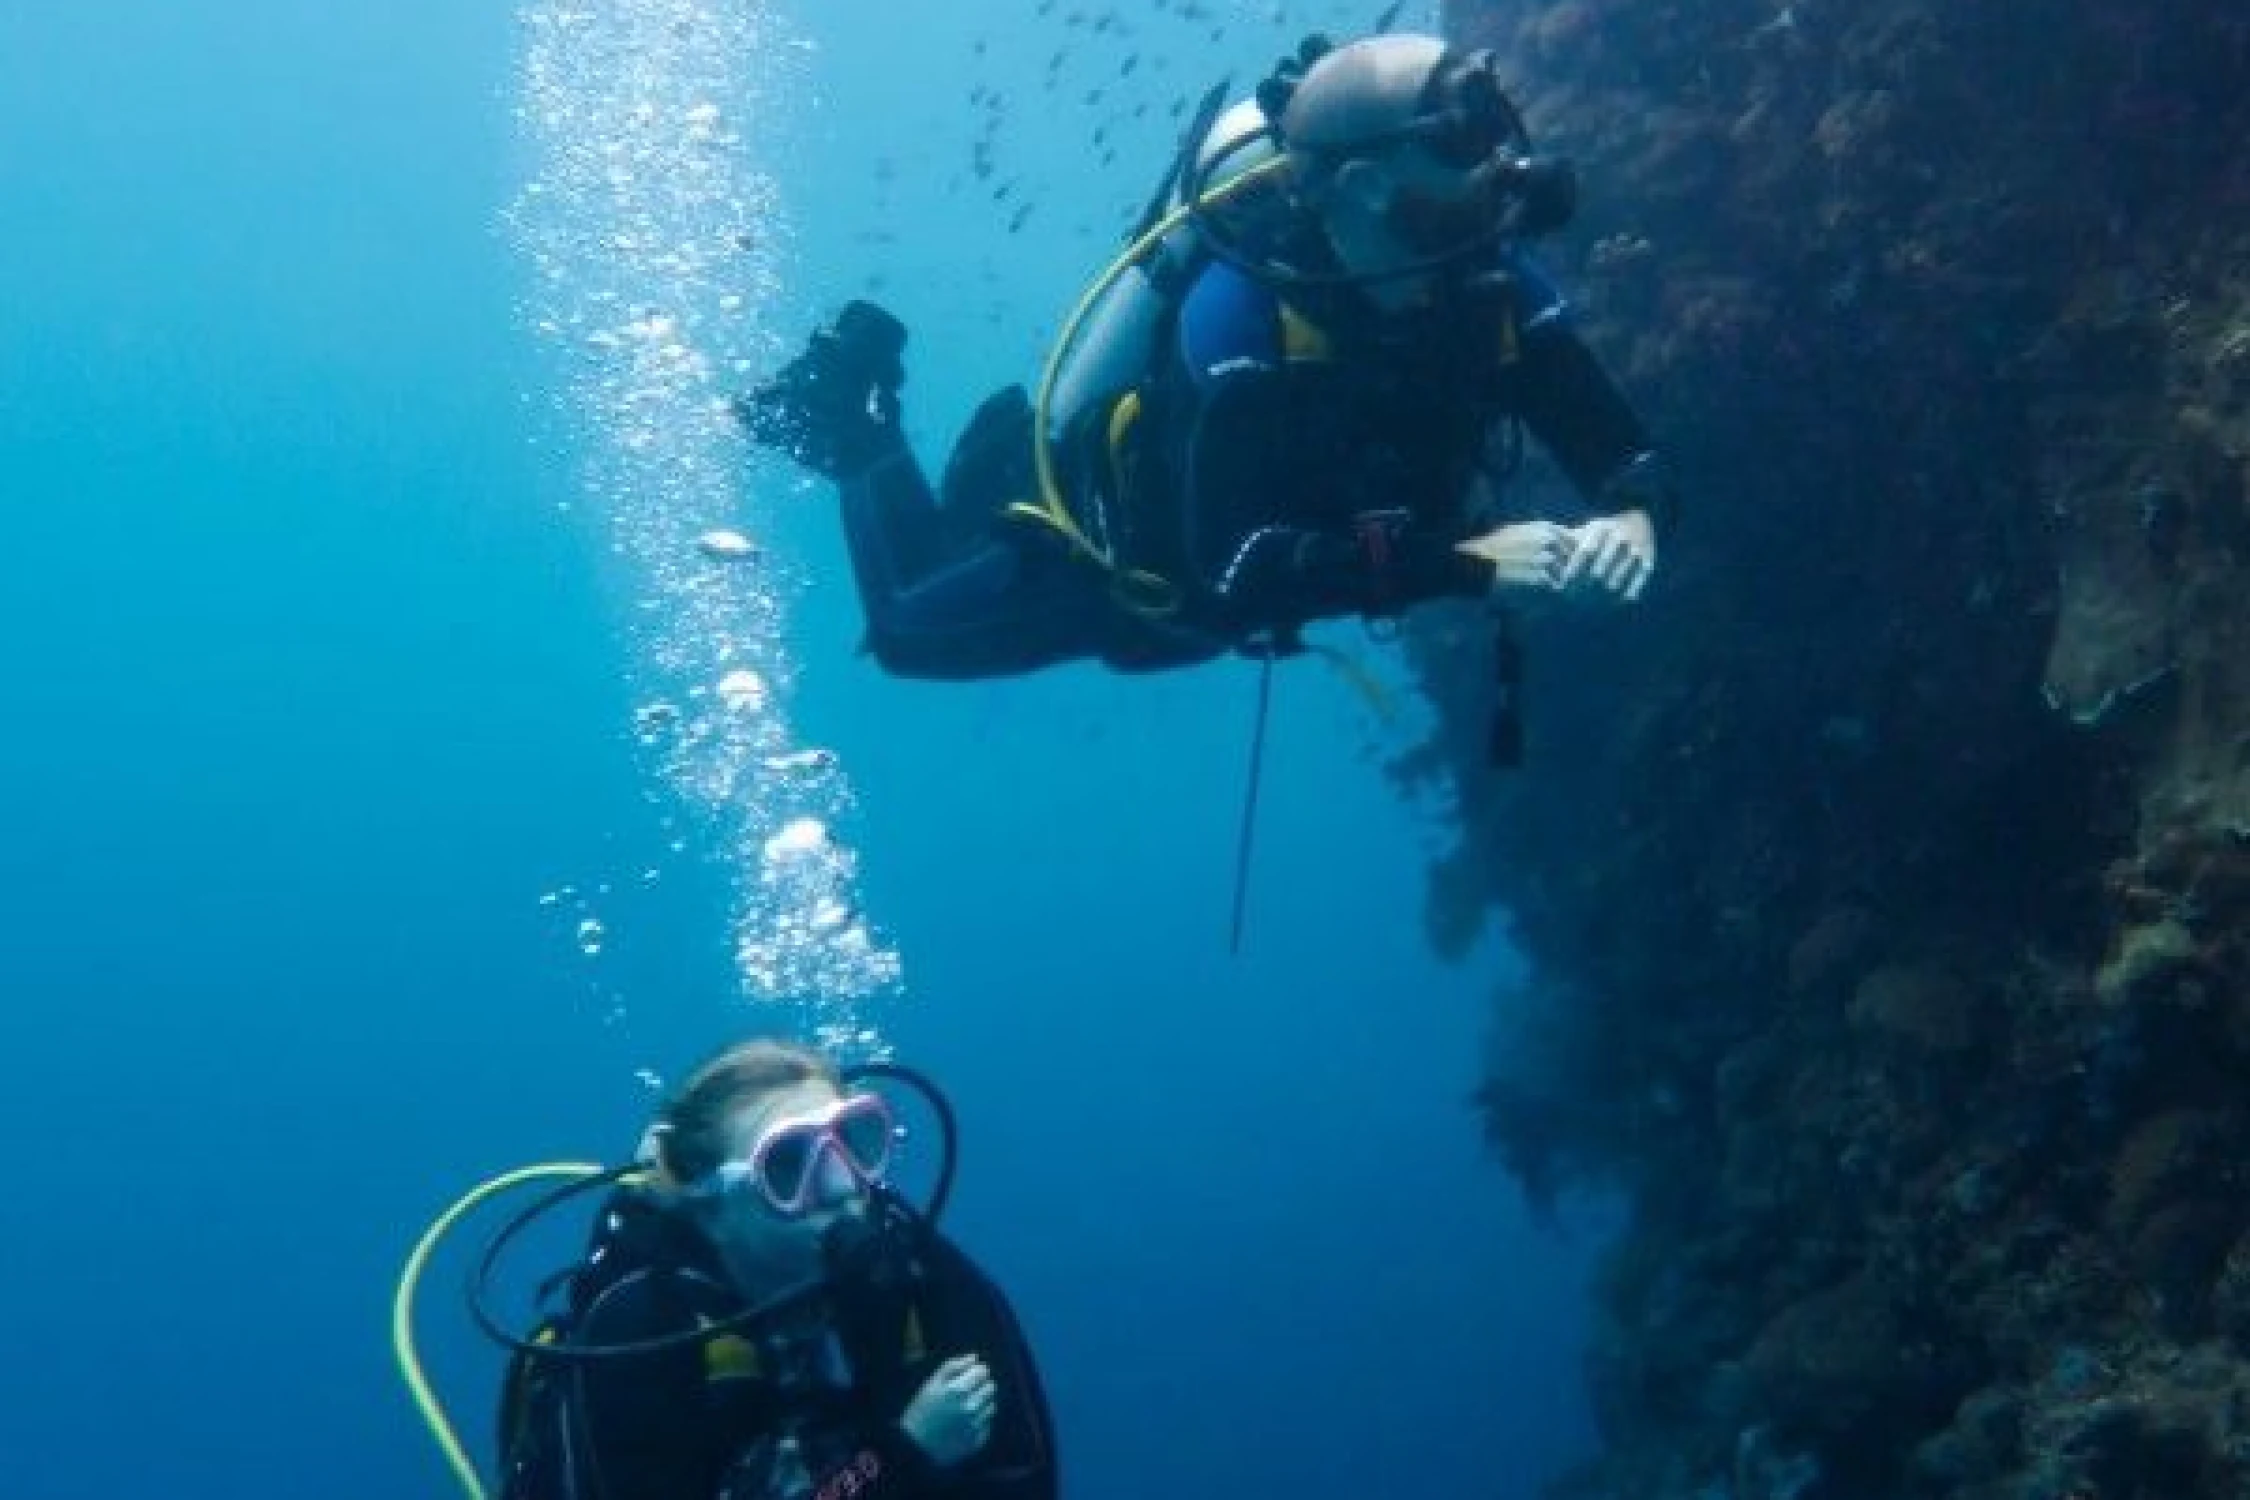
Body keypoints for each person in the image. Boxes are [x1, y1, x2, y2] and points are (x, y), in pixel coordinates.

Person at [736, 31, 1671, 699]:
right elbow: (1236, 568)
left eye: (1491, 207)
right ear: (1358, 193)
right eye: (1452, 214)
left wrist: (1633, 517)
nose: (1487, 241)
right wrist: (1465, 567)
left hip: (1257, 572)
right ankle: (855, 422)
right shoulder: (1244, 320)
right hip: (1115, 561)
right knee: (906, 632)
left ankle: (969, 448)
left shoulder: (1481, 276)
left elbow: (1614, 443)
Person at [494, 1040, 1057, 1500]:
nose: (843, 1189)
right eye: (788, 1165)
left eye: (856, 1142)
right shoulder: (645, 1330)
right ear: (711, 1206)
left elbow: (1023, 1477)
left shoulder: (920, 1275)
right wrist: (904, 1454)